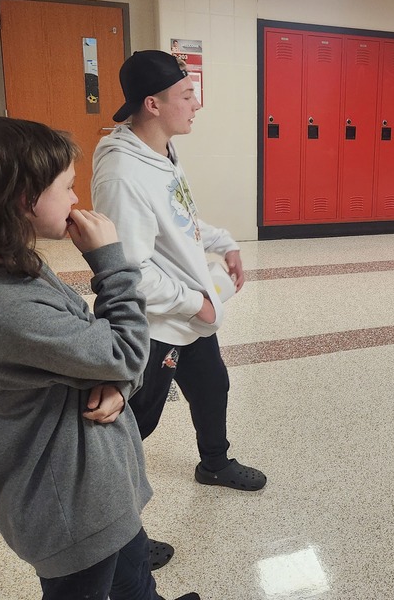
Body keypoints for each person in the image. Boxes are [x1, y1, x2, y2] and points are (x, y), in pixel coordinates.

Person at [0, 117, 199, 600]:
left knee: (135, 579)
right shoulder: (4, 307)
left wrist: (118, 382)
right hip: (72, 513)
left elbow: (100, 350)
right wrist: (113, 262)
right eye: (67, 187)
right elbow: (125, 350)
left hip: (100, 493)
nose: (77, 200)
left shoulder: (8, 263)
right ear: (23, 200)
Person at [92, 50, 265, 568]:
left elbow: (181, 217)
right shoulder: (122, 174)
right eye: (187, 95)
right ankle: (120, 534)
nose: (198, 104)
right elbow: (129, 271)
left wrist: (222, 241)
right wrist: (197, 303)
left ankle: (213, 463)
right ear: (153, 103)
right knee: (131, 428)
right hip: (155, 325)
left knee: (213, 387)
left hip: (190, 316)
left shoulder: (161, 149)